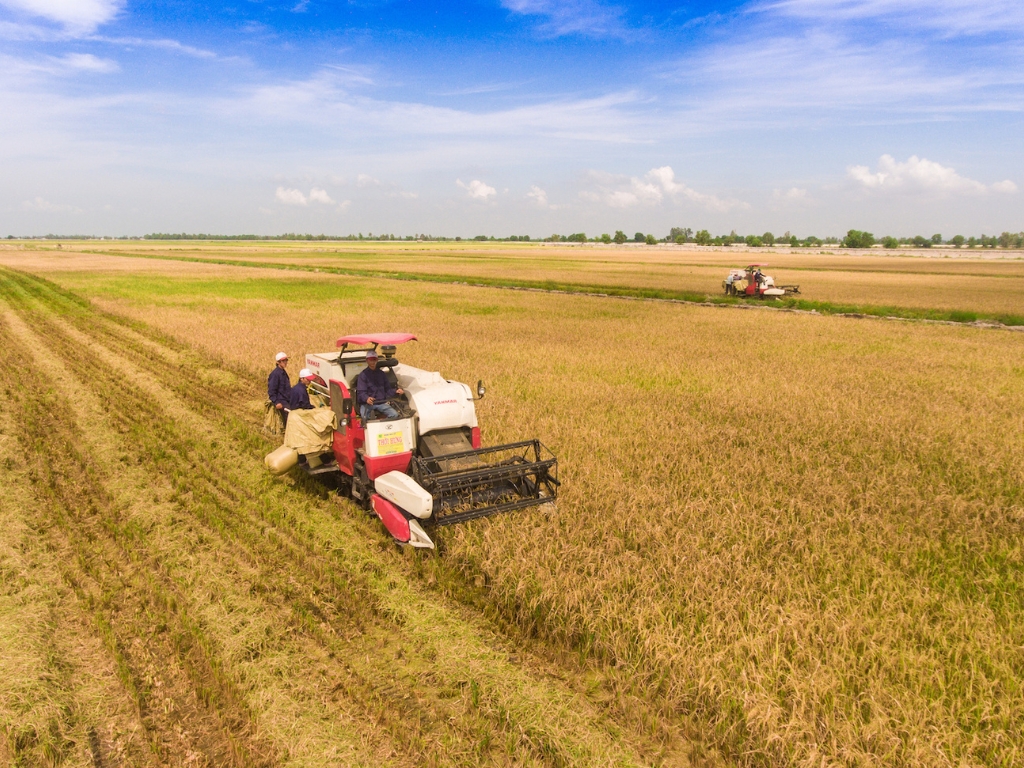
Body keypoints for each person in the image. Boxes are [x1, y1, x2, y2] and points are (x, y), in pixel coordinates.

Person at [356, 350, 403, 421]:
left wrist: (396, 391)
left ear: (377, 360)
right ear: (367, 361)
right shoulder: (363, 375)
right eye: (370, 360)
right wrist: (367, 398)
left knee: (394, 415)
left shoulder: (382, 374)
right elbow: (361, 392)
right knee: (364, 417)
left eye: (374, 359)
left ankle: (382, 426)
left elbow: (388, 390)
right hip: (368, 405)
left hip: (381, 403)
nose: (372, 362)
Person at [267, 352, 291, 425]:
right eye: (283, 361)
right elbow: (271, 391)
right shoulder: (275, 374)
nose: (286, 362)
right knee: (289, 416)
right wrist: (276, 402)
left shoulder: (283, 372)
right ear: (278, 362)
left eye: (286, 360)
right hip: (281, 401)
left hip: (287, 398)